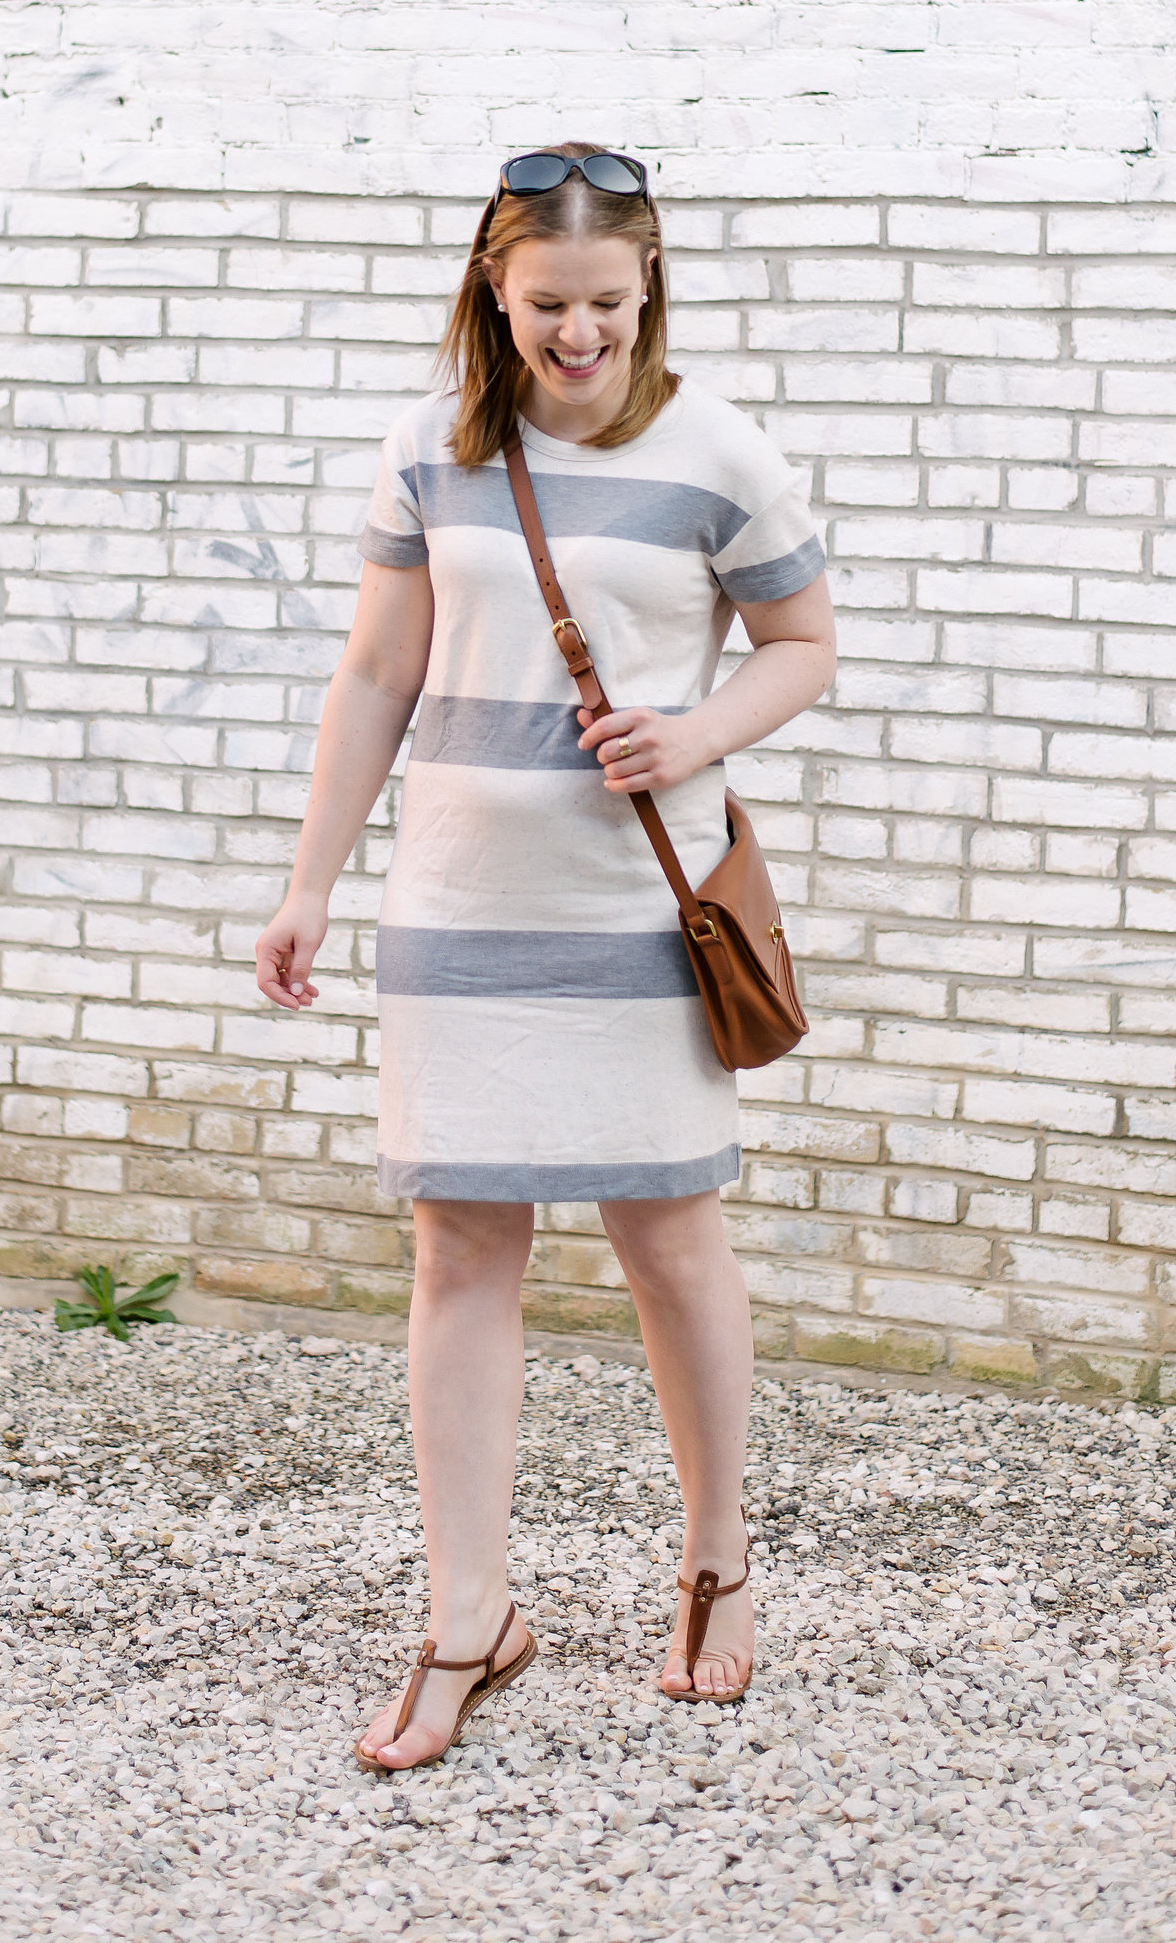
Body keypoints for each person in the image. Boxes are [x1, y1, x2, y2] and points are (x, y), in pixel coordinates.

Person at [255, 146, 836, 1772]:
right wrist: (310, 884)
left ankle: (717, 1565)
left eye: (603, 302)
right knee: (460, 1253)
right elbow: (376, 673)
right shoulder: (439, 449)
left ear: (648, 284)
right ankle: (467, 1616)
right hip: (461, 905)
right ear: (494, 295)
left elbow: (805, 645)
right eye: (544, 307)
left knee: (670, 1246)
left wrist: (696, 730)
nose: (577, 336)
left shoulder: (721, 452)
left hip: (641, 910)